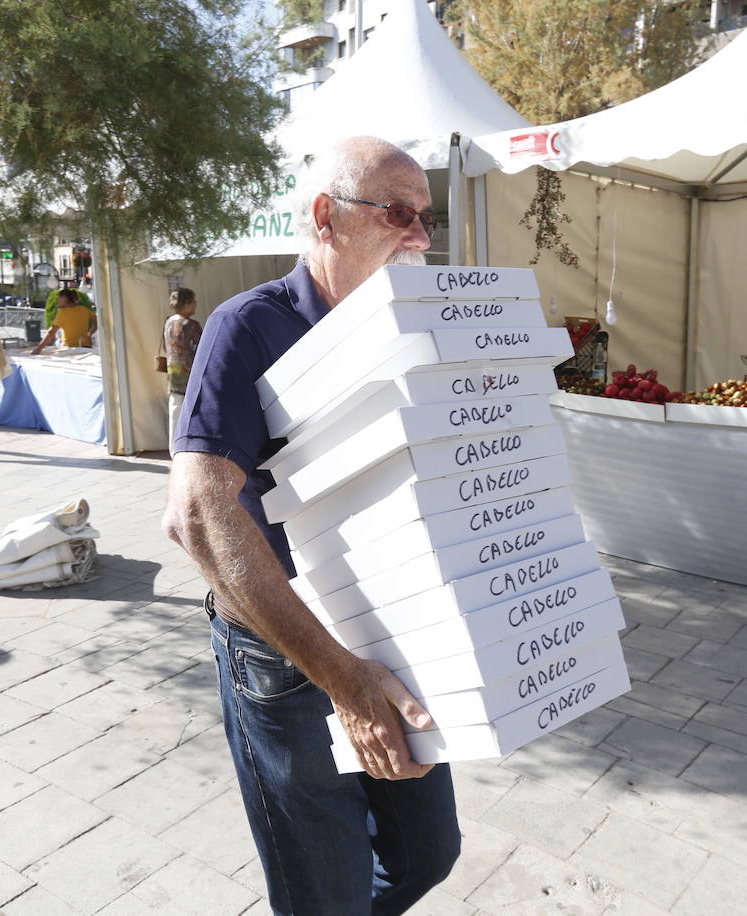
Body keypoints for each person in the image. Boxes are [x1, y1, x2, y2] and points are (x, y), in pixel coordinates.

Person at [162, 136, 457, 915]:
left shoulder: (405, 323)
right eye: (399, 213)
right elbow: (195, 513)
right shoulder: (246, 326)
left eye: (428, 219)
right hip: (285, 655)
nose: (421, 238)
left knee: (429, 854)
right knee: (324, 890)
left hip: (387, 633)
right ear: (326, 216)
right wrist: (341, 680)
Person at [162, 287, 202, 451]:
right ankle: (190, 447)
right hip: (191, 373)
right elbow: (201, 349)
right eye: (193, 302)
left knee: (175, 412)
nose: (195, 306)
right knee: (193, 411)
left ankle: (174, 449)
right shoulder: (191, 325)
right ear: (187, 303)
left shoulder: (168, 322)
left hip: (173, 372)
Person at [31, 288, 96, 353]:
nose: (57, 301)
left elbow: (51, 332)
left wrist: (39, 348)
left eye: (58, 298)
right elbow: (97, 320)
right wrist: (90, 332)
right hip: (87, 348)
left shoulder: (63, 312)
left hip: (70, 349)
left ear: (64, 297)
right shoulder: (84, 309)